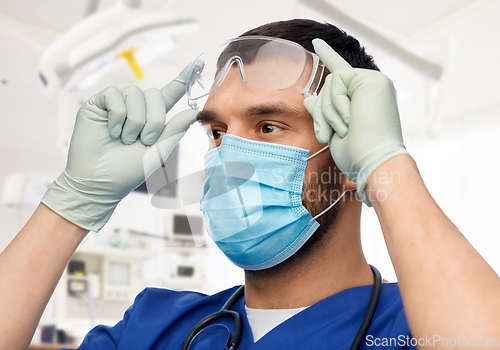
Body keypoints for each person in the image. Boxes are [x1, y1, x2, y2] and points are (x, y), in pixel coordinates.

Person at [1, 19, 499, 350]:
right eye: (217, 132)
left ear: (349, 152)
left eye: (267, 127)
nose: (227, 158)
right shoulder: (154, 326)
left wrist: (386, 166)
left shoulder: (416, 328)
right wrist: (72, 203)